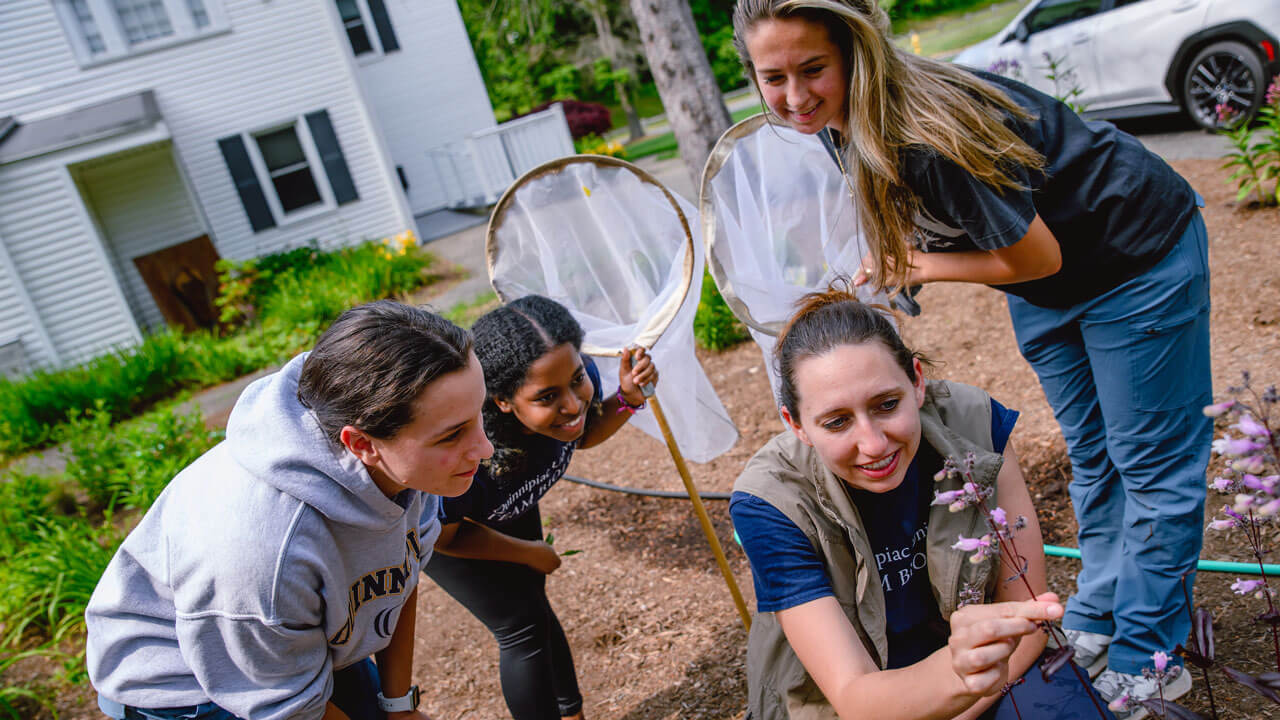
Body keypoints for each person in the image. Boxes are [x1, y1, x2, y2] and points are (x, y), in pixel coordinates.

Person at [732, 1, 1210, 714]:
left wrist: (915, 267)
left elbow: (1035, 252)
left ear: (854, 54)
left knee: (1150, 464)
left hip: (1132, 256)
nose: (795, 97)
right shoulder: (842, 125)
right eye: (774, 77)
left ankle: (1150, 654)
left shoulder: (921, 133)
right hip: (1053, 284)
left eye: (812, 70)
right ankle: (1099, 615)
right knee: (1097, 456)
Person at [86, 300, 494, 720]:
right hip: (192, 688)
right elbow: (287, 709)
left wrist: (398, 706)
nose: (484, 448)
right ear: (363, 445)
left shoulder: (410, 458)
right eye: (453, 435)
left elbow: (398, 577)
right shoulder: (263, 552)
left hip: (292, 639)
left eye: (477, 416)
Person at [730, 288, 1114, 720]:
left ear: (916, 380)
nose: (873, 444)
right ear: (795, 424)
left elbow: (1029, 618)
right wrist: (955, 675)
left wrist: (964, 701)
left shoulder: (974, 423)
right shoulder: (770, 502)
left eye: (887, 404)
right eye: (836, 422)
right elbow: (854, 695)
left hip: (990, 670)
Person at [423, 295, 658, 720]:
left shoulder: (574, 382)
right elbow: (445, 536)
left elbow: (581, 434)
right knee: (521, 627)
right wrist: (530, 552)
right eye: (548, 396)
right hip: (444, 537)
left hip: (507, 509)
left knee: (535, 607)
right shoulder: (468, 456)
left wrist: (628, 398)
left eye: (576, 380)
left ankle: (572, 714)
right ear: (502, 401)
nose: (572, 403)